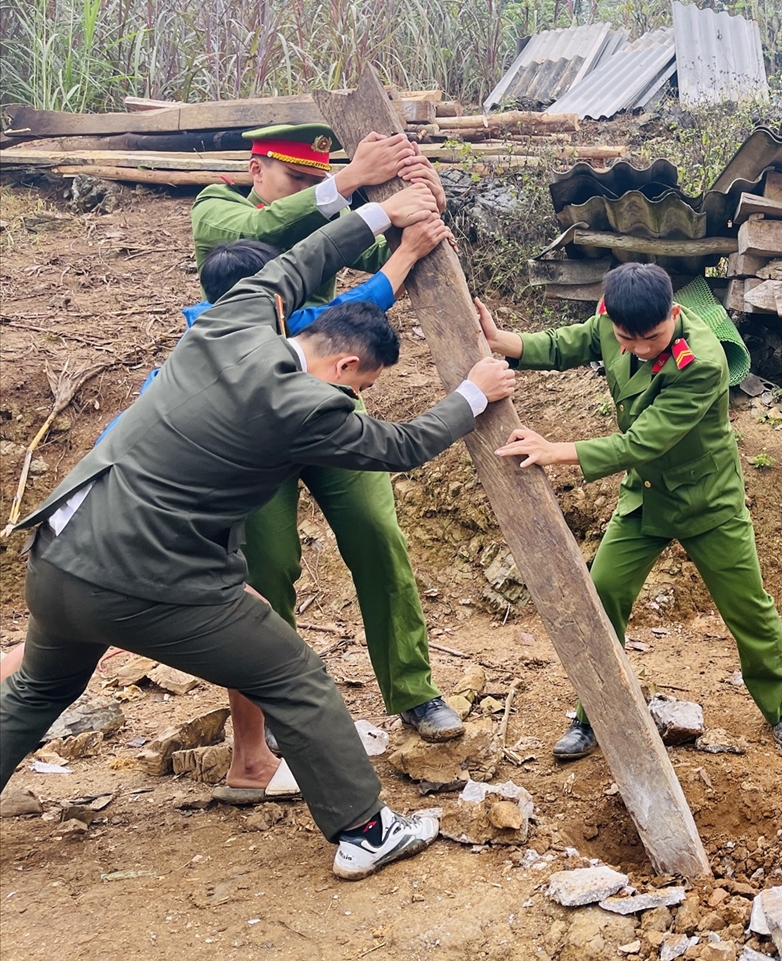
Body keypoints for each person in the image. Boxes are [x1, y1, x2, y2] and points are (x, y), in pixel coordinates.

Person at [0, 194, 517, 880]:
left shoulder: (227, 320)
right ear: (344, 369)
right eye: (362, 387)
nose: (358, 398)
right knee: (293, 675)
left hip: (61, 557)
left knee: (37, 691)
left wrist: (383, 211)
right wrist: (474, 392)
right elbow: (404, 443)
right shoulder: (307, 408)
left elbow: (306, 257)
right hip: (144, 577)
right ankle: (364, 829)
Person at [191, 123, 464, 749]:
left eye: (319, 178)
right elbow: (265, 235)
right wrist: (345, 184)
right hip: (250, 419)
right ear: (257, 170)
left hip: (323, 403)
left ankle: (414, 689)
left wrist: (422, 201)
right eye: (301, 179)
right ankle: (279, 709)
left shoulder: (327, 213)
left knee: (375, 534)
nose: (315, 189)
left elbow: (386, 243)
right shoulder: (217, 209)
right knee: (268, 564)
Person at [477, 262, 782, 758]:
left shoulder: (702, 363)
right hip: (646, 495)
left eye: (650, 338)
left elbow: (642, 441)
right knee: (604, 592)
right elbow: (572, 342)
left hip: (706, 498)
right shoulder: (616, 323)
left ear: (673, 313)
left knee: (747, 606)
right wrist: (505, 341)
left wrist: (557, 450)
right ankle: (595, 713)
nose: (637, 348)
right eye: (625, 338)